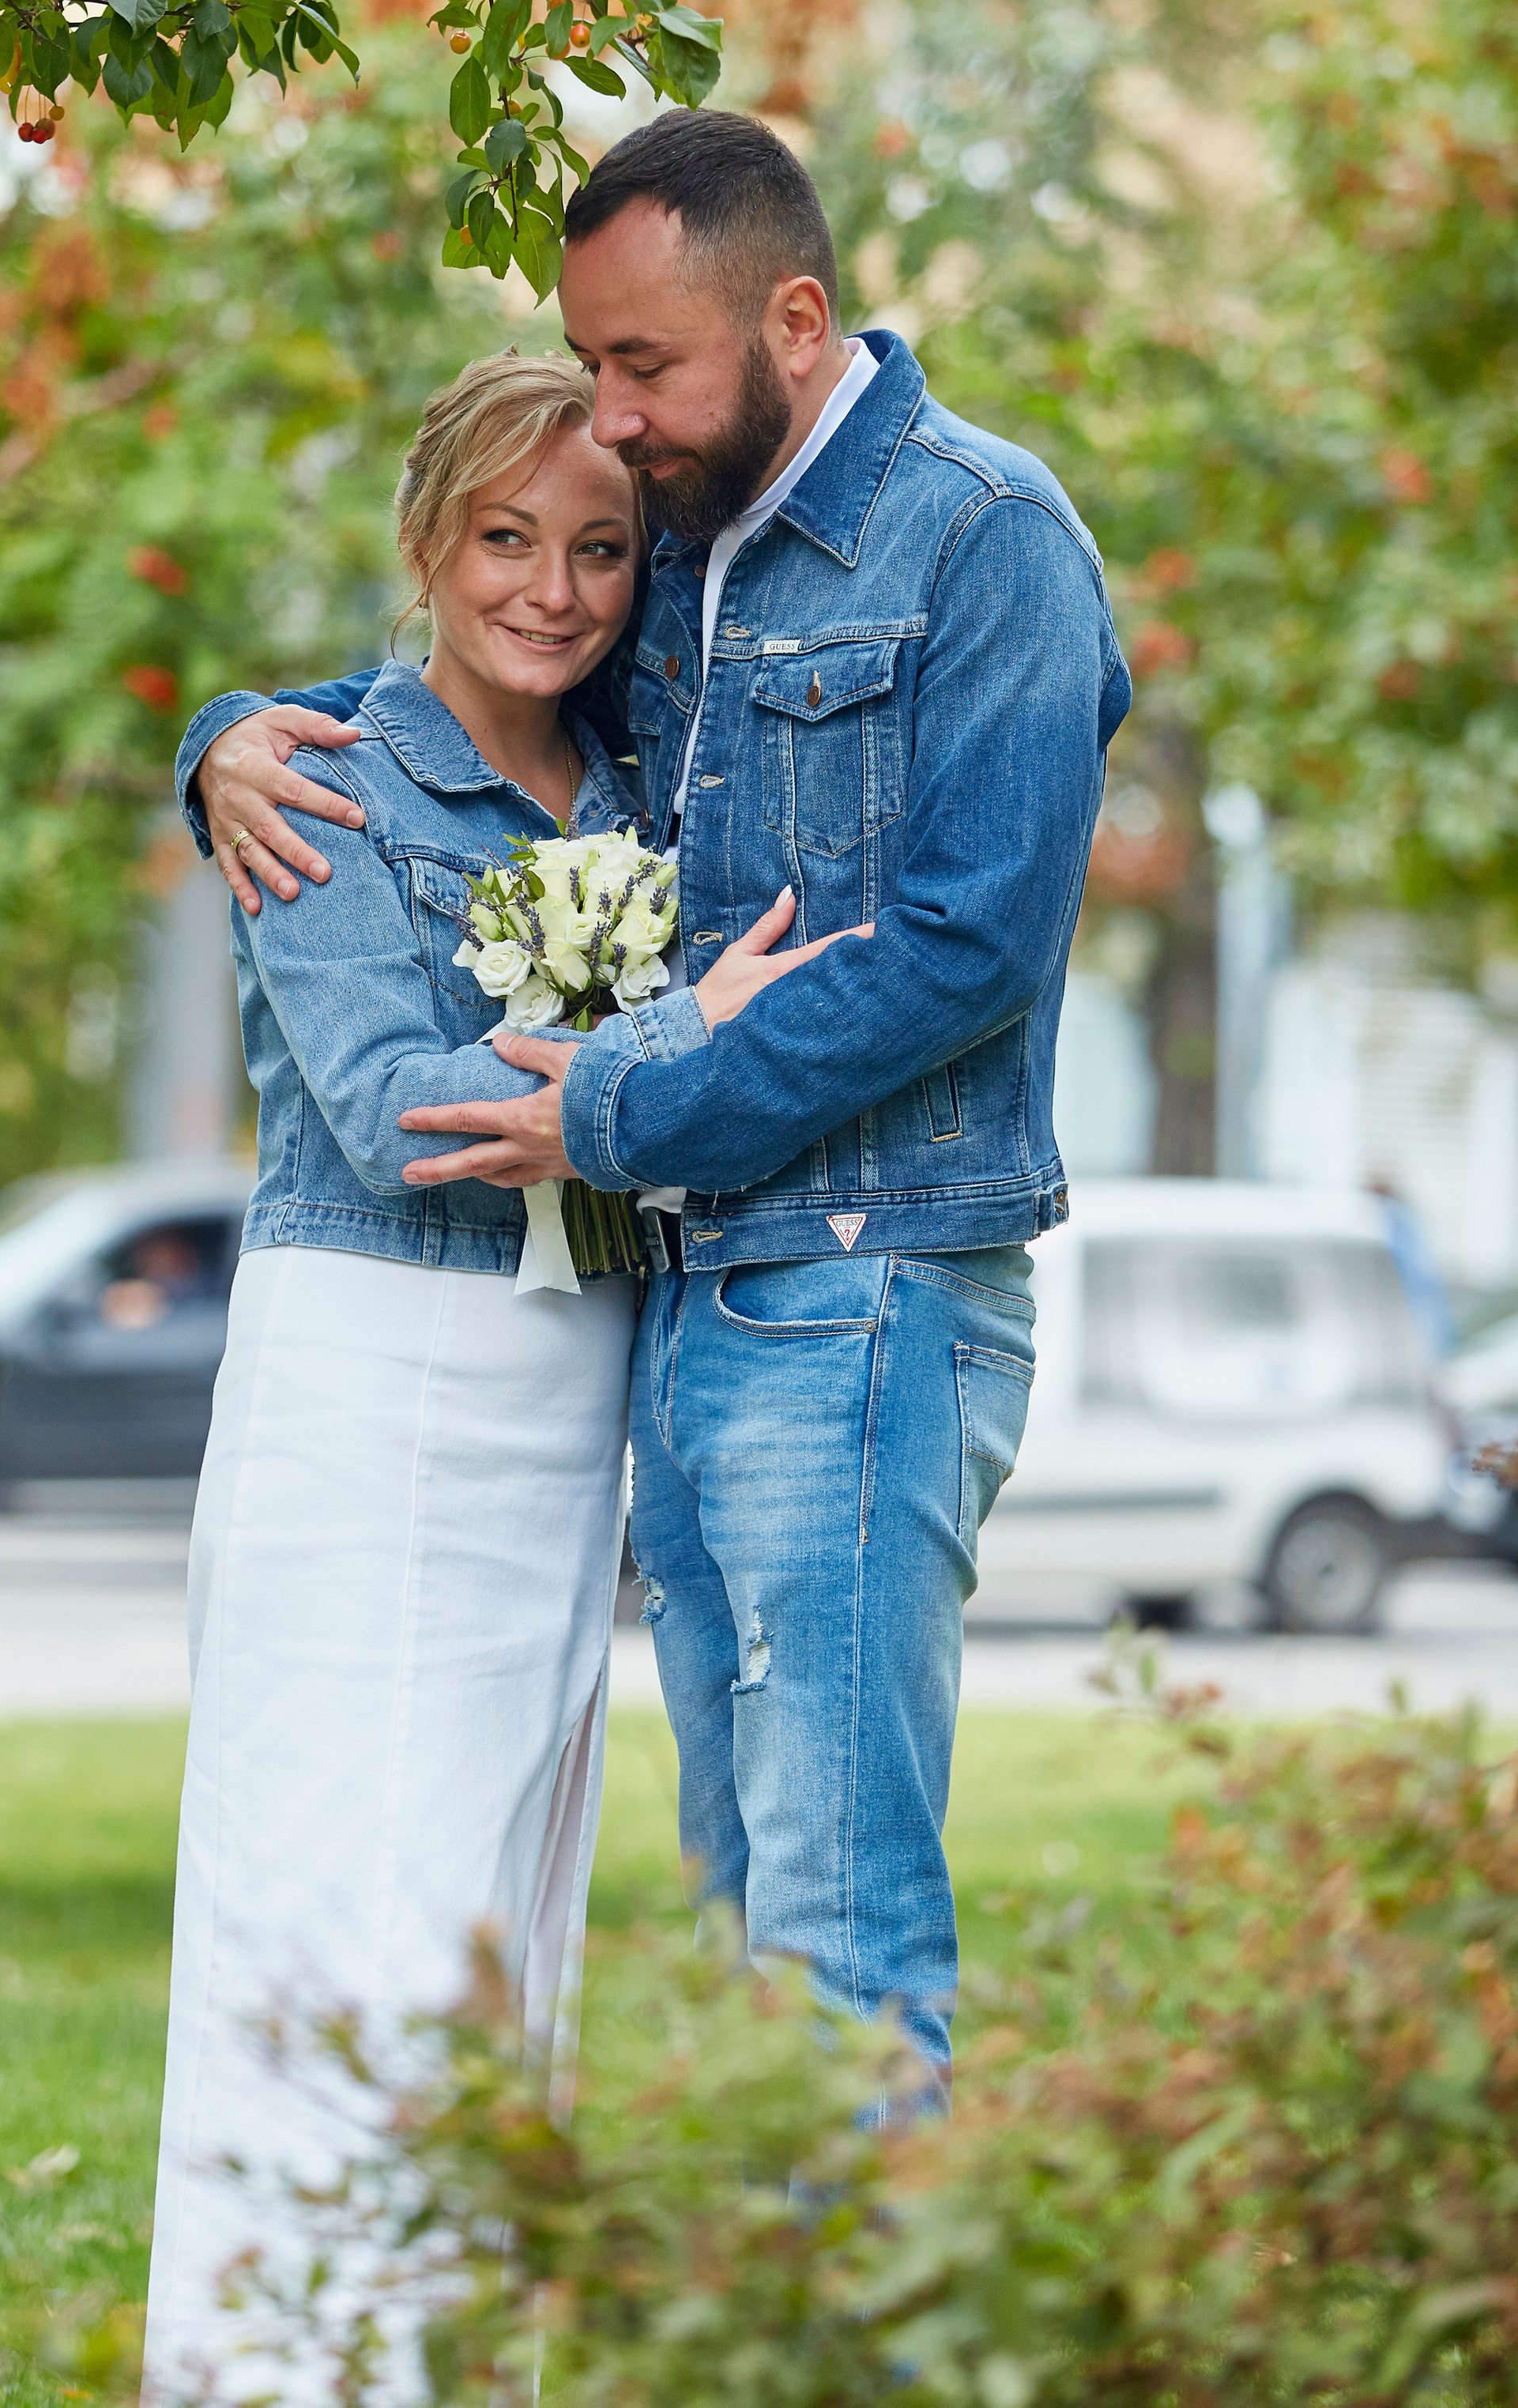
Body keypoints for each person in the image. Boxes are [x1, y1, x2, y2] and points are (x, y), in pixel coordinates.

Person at [179, 111, 1132, 2097]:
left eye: (642, 368)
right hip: (689, 1323)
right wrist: (221, 750)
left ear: (792, 316)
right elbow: (471, 699)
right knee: (740, 1906)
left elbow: (965, 946)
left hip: (868, 1298)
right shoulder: (682, 547)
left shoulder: (982, 537)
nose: (608, 421)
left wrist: (620, 1099)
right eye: (587, 361)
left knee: (836, 1918)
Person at [143, 346, 826, 2402]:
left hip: (559, 1401)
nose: (552, 586)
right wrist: (669, 1047)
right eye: (507, 537)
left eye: (601, 547)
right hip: (372, 1380)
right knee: (332, 1885)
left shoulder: (636, 770)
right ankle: (284, 2368)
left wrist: (637, 1076)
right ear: (431, 538)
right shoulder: (325, 772)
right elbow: (385, 1110)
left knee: (489, 1900)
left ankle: (445, 2360)